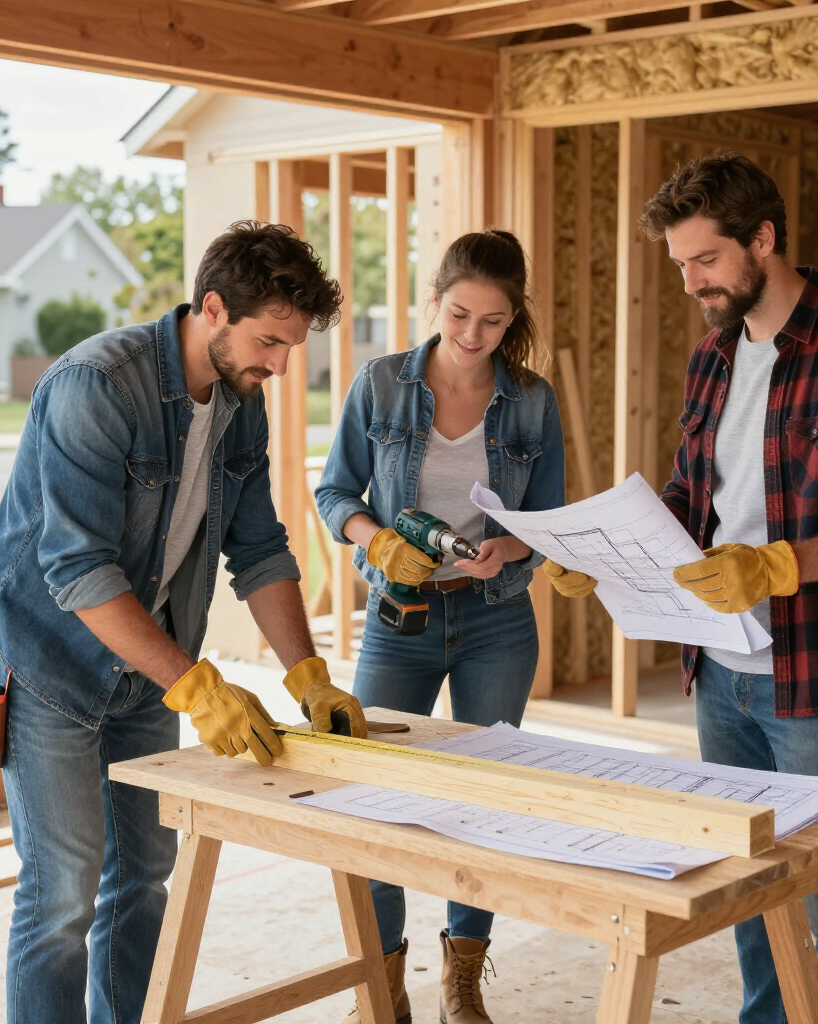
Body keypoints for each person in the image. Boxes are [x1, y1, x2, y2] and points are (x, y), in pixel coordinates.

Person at [555, 153, 818, 1024]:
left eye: (706, 261)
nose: (692, 283)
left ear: (762, 240)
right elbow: (697, 499)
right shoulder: (713, 357)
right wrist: (607, 554)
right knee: (750, 890)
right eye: (681, 265)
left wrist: (780, 564)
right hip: (717, 669)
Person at [0, 221, 367, 1024]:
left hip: (149, 665)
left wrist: (308, 676)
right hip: (48, 662)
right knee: (63, 891)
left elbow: (260, 548)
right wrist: (196, 687)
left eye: (291, 347)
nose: (282, 367)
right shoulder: (96, 386)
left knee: (144, 876)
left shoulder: (240, 402)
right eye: (270, 342)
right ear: (213, 308)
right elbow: (77, 572)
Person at [316, 229, 565, 1024]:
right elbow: (334, 495)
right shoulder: (382, 385)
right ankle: (382, 986)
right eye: (459, 313)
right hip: (401, 617)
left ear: (511, 318)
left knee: (485, 802)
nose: (470, 335)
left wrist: (510, 545)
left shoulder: (531, 399)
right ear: (436, 298)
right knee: (374, 795)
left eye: (492, 322)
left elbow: (549, 519)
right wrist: (378, 540)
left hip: (497, 619)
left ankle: (463, 978)